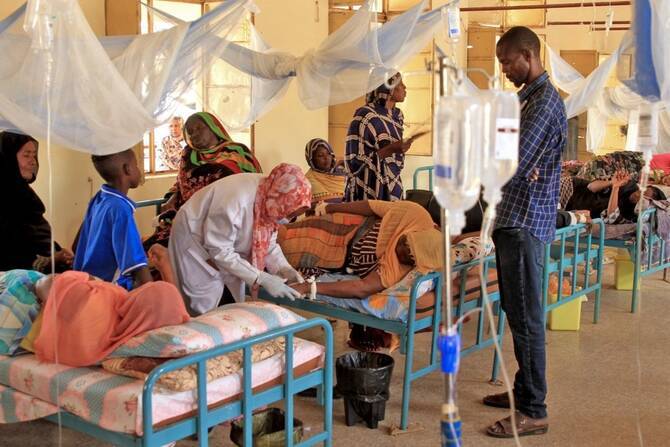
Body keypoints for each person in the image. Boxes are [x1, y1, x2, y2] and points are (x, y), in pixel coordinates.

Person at [484, 27, 567, 438]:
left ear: (528, 55)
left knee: (528, 319)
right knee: (517, 313)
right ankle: (523, 391)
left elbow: (510, 162)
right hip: (514, 217)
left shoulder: (543, 103)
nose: (504, 70)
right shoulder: (526, 100)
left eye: (507, 61)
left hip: (524, 221)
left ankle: (534, 409)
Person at [290, 200, 443, 351]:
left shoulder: (397, 271)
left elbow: (361, 288)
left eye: (409, 255)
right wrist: (327, 208)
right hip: (348, 225)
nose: (401, 250)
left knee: (290, 245)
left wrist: (309, 287)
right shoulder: (413, 213)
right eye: (405, 242)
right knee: (298, 225)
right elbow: (370, 206)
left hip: (337, 256)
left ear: (415, 263)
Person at [169, 163, 311, 315]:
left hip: (223, 245)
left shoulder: (272, 198)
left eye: (293, 216)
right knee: (205, 306)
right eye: (290, 214)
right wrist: (260, 277)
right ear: (282, 201)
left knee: (232, 303)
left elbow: (268, 244)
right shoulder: (237, 201)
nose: (288, 220)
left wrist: (284, 268)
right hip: (194, 239)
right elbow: (220, 251)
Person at [148, 112, 262, 247]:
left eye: (199, 128)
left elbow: (252, 184)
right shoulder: (188, 153)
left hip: (226, 218)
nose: (194, 134)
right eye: (190, 132)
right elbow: (181, 182)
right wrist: (173, 195)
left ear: (214, 127)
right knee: (153, 247)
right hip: (188, 216)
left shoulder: (236, 151)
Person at [34, 271, 189, 367]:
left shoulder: (98, 309)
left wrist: (89, 279)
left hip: (54, 289)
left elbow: (44, 285)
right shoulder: (120, 302)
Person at [74, 149, 152, 290]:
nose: (139, 169)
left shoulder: (99, 198)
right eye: (136, 165)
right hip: (106, 290)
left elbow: (76, 245)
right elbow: (138, 269)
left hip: (85, 283)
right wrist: (155, 294)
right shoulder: (120, 209)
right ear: (127, 169)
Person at [344, 72, 427, 202]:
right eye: (400, 84)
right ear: (388, 88)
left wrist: (401, 146)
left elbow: (394, 157)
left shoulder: (397, 116)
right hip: (368, 187)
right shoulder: (366, 116)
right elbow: (354, 162)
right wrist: (391, 148)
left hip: (393, 184)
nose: (405, 87)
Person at [0, 131, 73, 272]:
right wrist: (49, 261)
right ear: (7, 157)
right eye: (26, 155)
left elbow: (37, 235)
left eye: (34, 155)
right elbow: (10, 250)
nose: (33, 161)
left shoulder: (23, 191)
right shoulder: (5, 196)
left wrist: (58, 253)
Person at [304, 138, 346, 203]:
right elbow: (323, 201)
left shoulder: (341, 172)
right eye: (320, 155)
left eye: (328, 153)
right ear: (312, 160)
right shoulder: (309, 179)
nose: (326, 158)